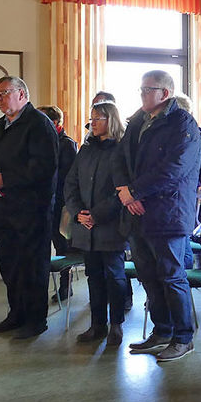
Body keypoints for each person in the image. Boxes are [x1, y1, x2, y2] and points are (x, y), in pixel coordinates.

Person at [116, 71, 201, 362]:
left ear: (165, 94)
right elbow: (120, 159)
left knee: (171, 276)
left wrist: (136, 192)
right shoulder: (138, 121)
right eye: (140, 89)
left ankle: (183, 337)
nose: (141, 94)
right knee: (148, 276)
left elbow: (174, 169)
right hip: (137, 210)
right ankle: (162, 330)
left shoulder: (182, 124)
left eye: (146, 89)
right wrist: (125, 193)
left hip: (169, 213)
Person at [0, 76, 58, 340]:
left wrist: (5, 179)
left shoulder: (38, 125)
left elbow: (43, 167)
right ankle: (16, 314)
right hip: (2, 208)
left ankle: (36, 320)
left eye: (4, 93)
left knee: (31, 266)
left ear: (22, 94)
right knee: (10, 265)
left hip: (31, 210)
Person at [64, 101, 127, 346]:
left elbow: (122, 189)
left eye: (97, 118)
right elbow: (70, 183)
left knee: (115, 276)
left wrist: (97, 214)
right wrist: (78, 211)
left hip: (110, 225)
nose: (93, 123)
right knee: (94, 276)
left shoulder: (121, 150)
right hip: (85, 226)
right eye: (91, 119)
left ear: (110, 119)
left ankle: (116, 325)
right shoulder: (86, 149)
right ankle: (97, 324)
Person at [38, 105, 79, 303]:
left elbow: (67, 177)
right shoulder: (41, 142)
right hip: (44, 202)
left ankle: (65, 286)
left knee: (62, 246)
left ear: (54, 123)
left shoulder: (66, 144)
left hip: (60, 204)